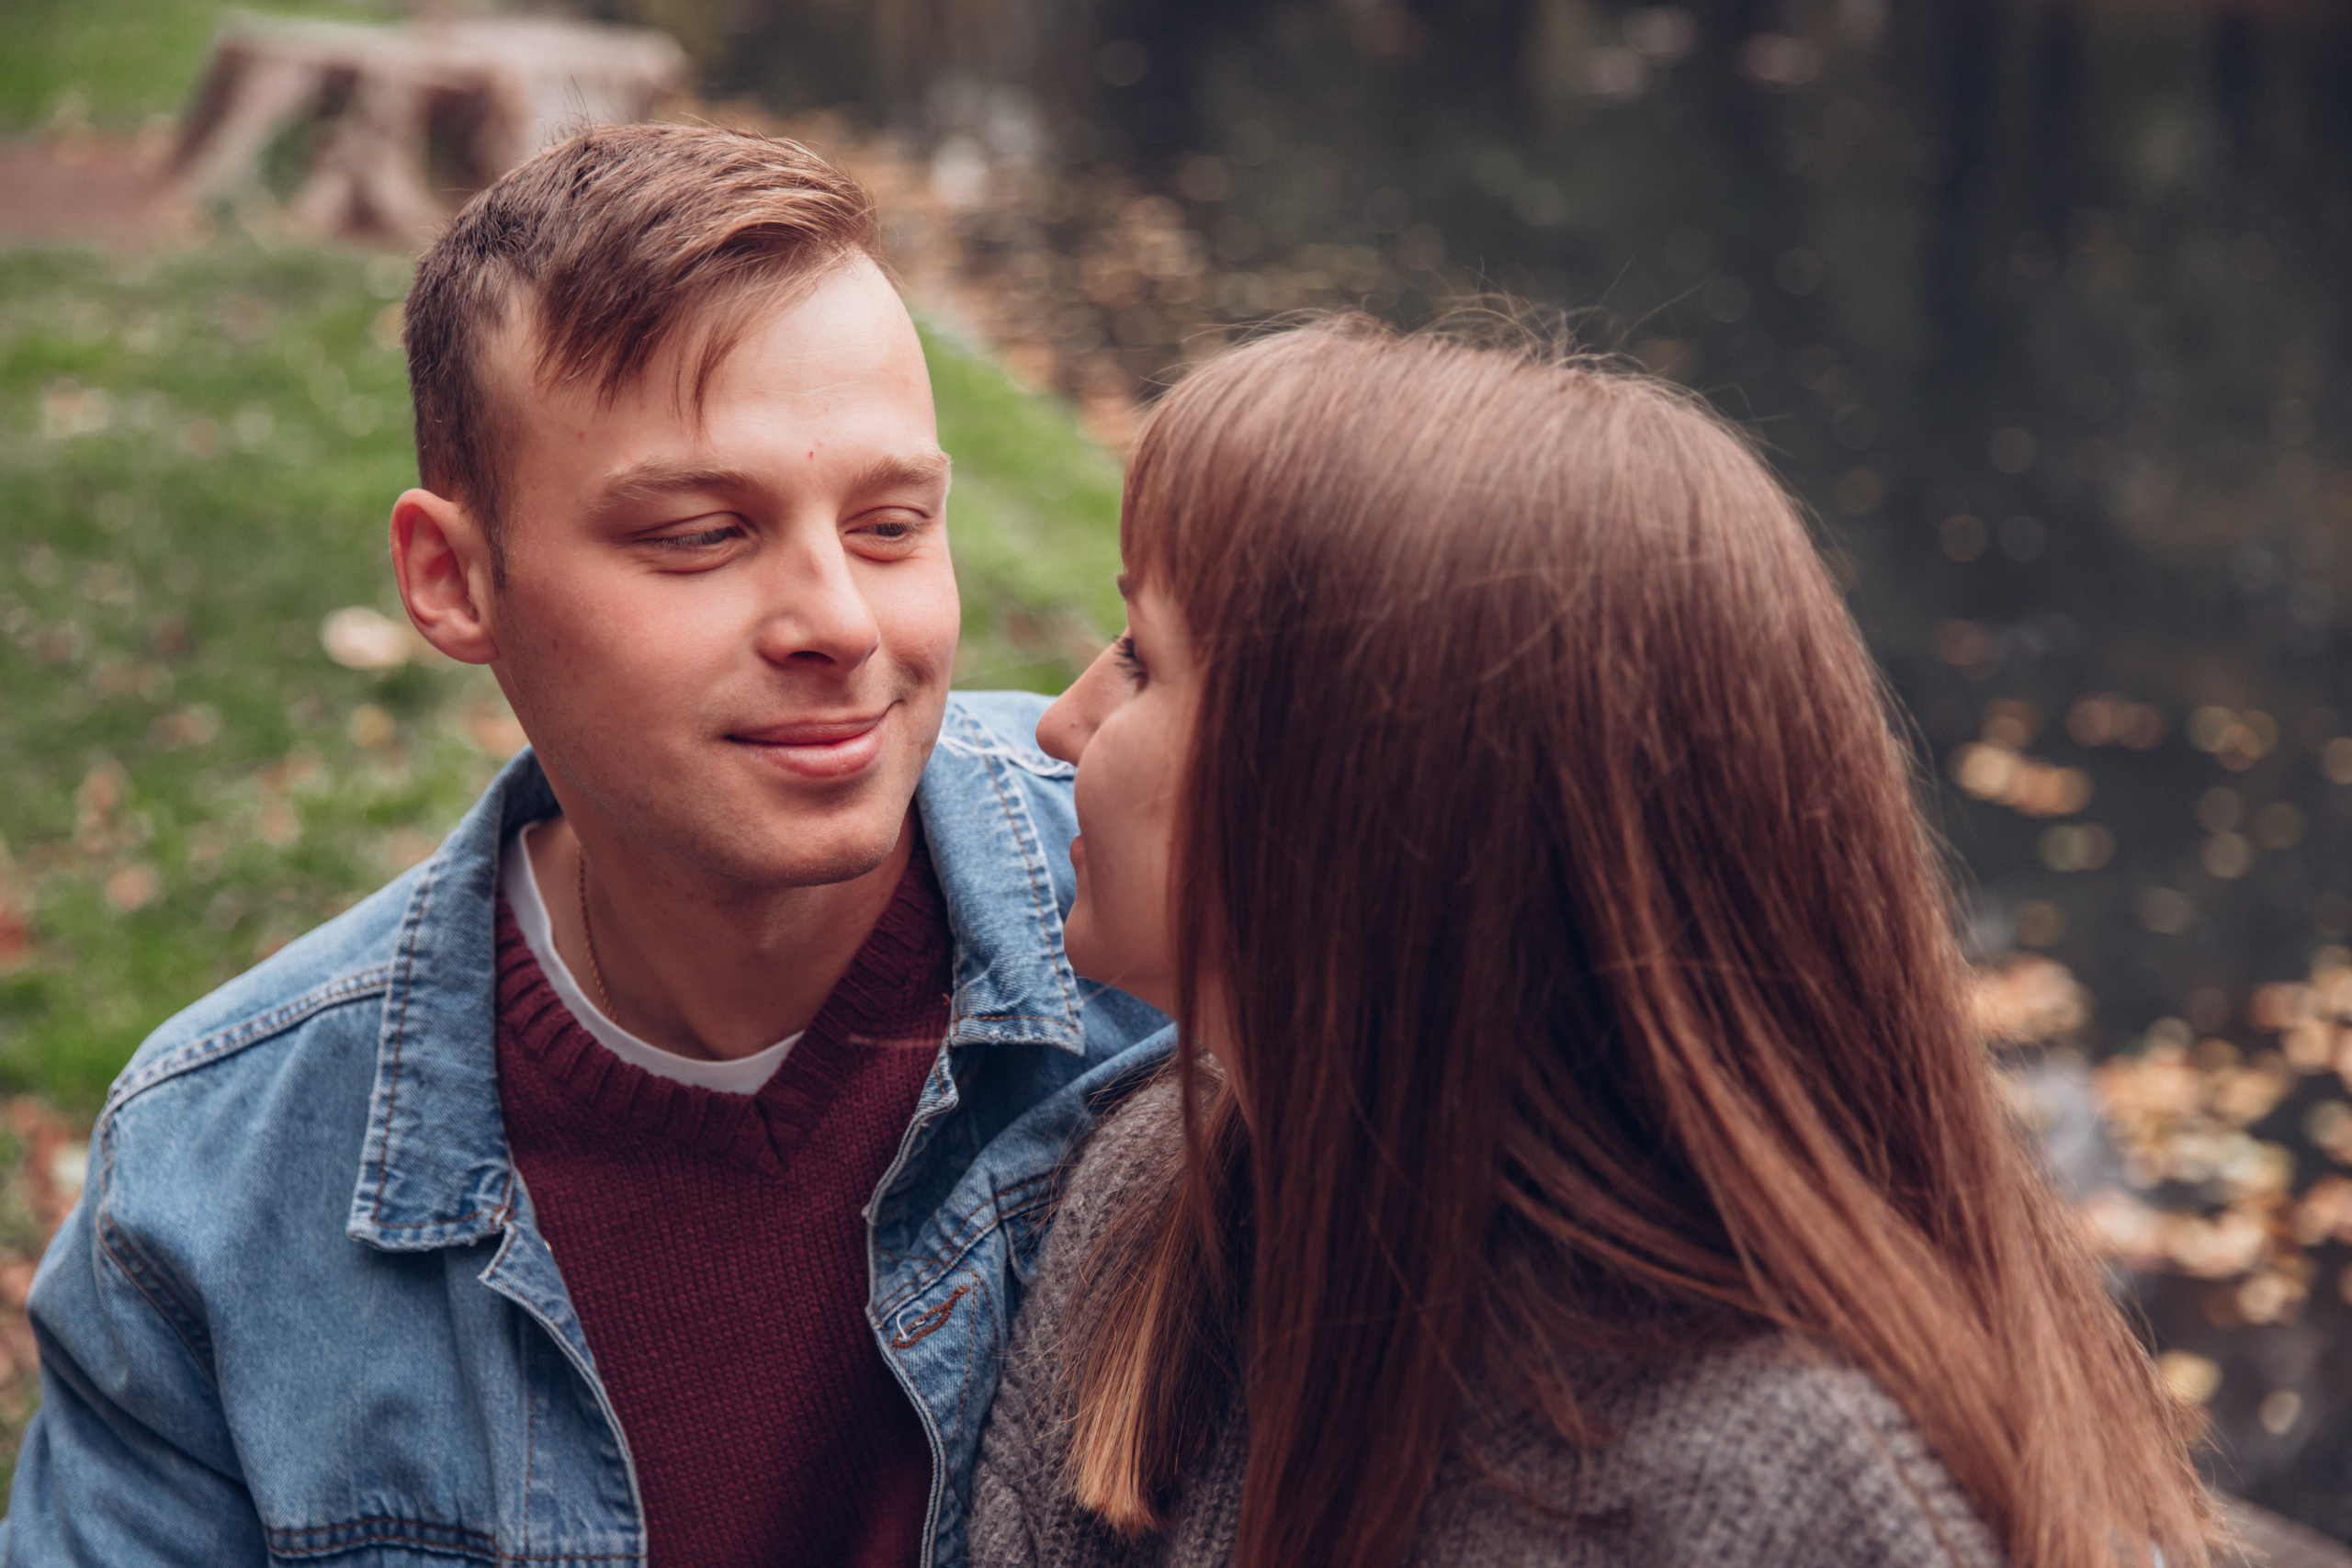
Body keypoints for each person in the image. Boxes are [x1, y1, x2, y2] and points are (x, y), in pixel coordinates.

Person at [5, 124, 1167, 1567]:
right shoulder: (207, 1197)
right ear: (453, 578)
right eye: (697, 535)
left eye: (889, 525)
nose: (840, 624)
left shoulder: (1201, 944)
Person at [969, 319, 2216, 1568]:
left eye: (1139, 657)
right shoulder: (1146, 1209)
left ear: (1371, 805)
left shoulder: (1806, 1502)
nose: (1061, 722)